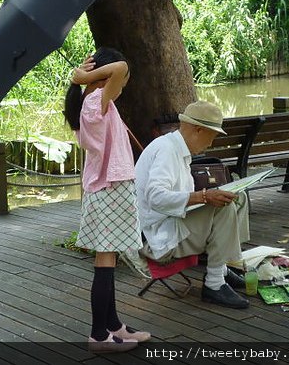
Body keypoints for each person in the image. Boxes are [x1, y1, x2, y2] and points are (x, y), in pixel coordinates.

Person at [64, 47, 151, 353]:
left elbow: (118, 70)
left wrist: (83, 79)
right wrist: (84, 76)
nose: (124, 83)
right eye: (120, 80)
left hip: (108, 188)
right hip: (109, 189)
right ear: (101, 77)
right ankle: (99, 335)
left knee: (109, 260)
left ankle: (113, 326)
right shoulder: (94, 102)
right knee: (104, 261)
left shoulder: (95, 103)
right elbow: (121, 67)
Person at [135, 100, 251, 309]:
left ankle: (221, 268)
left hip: (170, 225)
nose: (211, 143)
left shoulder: (176, 148)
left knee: (238, 198)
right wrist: (203, 196)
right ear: (198, 130)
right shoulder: (167, 150)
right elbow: (156, 197)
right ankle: (214, 284)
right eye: (212, 136)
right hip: (156, 238)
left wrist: (204, 197)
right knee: (224, 209)